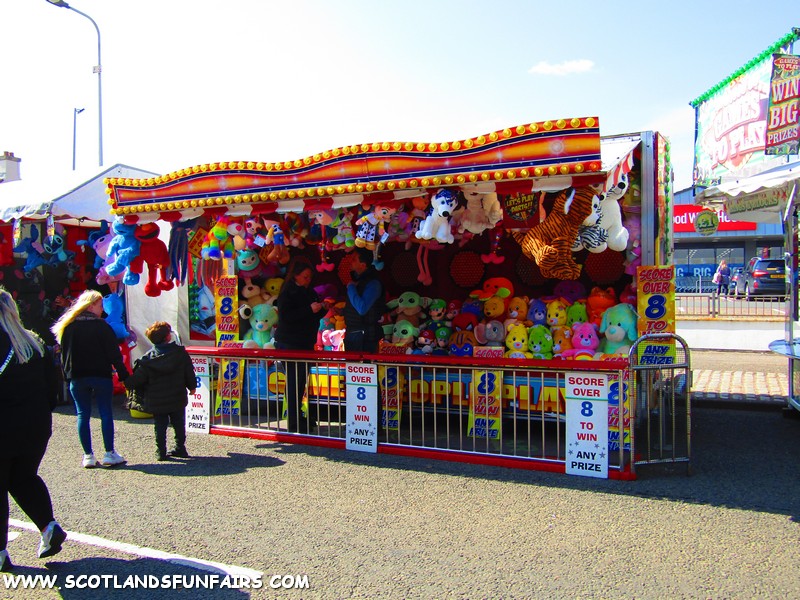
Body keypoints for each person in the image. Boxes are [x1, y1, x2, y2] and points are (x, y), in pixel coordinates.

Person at [0, 287, 66, 572]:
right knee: (23, 477)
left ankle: (1, 552)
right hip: (36, 425)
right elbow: (53, 390)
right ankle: (48, 527)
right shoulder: (33, 342)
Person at [51, 290, 130, 469]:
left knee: (82, 415)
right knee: (105, 413)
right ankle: (109, 453)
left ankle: (88, 455)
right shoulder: (102, 326)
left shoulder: (68, 327)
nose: (102, 310)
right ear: (91, 305)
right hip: (100, 374)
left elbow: (64, 355)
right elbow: (114, 354)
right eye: (100, 306)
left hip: (77, 376)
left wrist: (67, 374)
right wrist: (123, 375)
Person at [124, 322, 196, 461]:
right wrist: (192, 387)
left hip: (157, 399)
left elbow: (137, 380)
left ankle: (161, 451)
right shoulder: (180, 353)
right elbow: (189, 373)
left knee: (160, 425)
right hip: (177, 396)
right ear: (168, 337)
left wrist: (125, 381)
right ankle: (180, 448)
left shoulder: (147, 360)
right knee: (179, 423)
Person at [274, 261, 326, 433]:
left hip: (305, 342)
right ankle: (294, 420)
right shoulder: (287, 292)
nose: (308, 280)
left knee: (301, 381)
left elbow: (312, 314)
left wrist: (322, 309)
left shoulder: (308, 292)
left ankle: (298, 417)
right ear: (295, 275)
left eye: (309, 277)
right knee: (294, 381)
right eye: (305, 276)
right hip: (290, 343)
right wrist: (309, 309)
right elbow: (287, 317)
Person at [344, 247, 385, 353]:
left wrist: (351, 288)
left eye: (354, 259)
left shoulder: (373, 284)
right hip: (354, 333)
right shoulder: (359, 280)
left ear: (363, 264)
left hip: (365, 337)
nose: (351, 262)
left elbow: (362, 308)